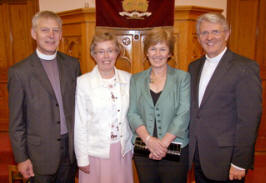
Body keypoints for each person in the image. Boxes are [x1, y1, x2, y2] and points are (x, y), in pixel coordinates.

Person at [8, 11, 81, 183]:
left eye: (56, 30)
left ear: (61, 34)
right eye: (45, 30)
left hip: (69, 152)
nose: (51, 35)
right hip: (38, 155)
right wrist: (21, 158)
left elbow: (80, 108)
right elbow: (16, 123)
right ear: (34, 34)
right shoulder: (19, 72)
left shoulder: (73, 65)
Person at [188, 13, 262, 183]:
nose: (209, 37)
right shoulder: (193, 67)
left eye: (215, 32)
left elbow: (249, 119)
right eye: (204, 33)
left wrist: (240, 162)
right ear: (198, 38)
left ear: (227, 34)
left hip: (227, 159)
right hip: (198, 154)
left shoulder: (244, 68)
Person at [127, 27, 190, 183]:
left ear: (170, 53)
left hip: (175, 147)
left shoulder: (182, 78)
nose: (157, 54)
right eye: (153, 49)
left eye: (163, 49)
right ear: (147, 53)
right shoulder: (136, 79)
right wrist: (149, 140)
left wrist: (162, 144)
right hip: (144, 149)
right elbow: (132, 113)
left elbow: (183, 114)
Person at [74, 31, 133, 183]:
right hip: (95, 153)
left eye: (110, 50)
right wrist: (82, 159)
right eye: (101, 51)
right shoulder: (83, 82)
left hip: (122, 152)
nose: (106, 56)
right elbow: (80, 124)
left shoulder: (129, 79)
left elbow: (133, 117)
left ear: (117, 53)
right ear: (93, 55)